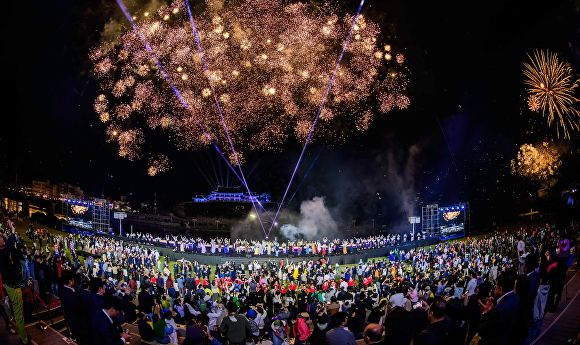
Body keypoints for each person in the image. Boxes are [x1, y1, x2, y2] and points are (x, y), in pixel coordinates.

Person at [0, 220, 29, 344]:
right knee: (19, 315)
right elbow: (8, 247)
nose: (2, 238)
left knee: (19, 313)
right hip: (12, 287)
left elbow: (12, 247)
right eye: (0, 238)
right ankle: (24, 340)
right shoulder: (1, 254)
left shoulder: (5, 252)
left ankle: (23, 335)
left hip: (14, 285)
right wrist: (12, 231)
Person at [478, 273, 521, 345]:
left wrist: (485, 312)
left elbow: (482, 330)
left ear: (500, 289)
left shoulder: (497, 310)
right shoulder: (517, 298)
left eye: (495, 287)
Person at [59, 270, 91, 345]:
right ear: (70, 281)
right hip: (80, 324)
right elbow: (82, 310)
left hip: (72, 323)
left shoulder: (62, 290)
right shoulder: (74, 296)